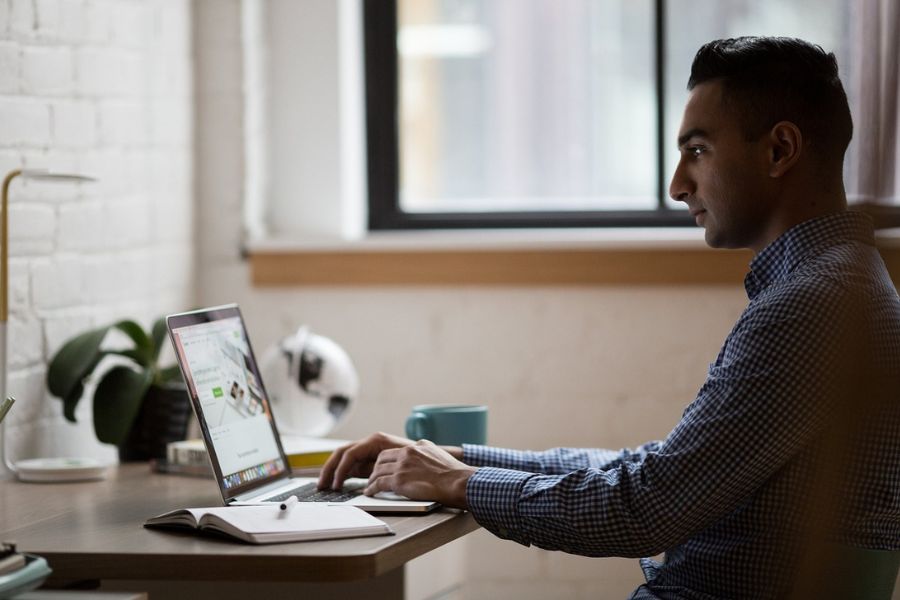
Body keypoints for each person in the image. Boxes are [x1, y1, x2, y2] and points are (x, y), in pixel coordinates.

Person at [319, 37, 900, 599]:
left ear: (779, 150)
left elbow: (644, 509)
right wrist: (459, 460)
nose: (678, 185)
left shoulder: (809, 307)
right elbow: (654, 471)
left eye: (697, 150)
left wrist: (460, 486)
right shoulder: (843, 288)